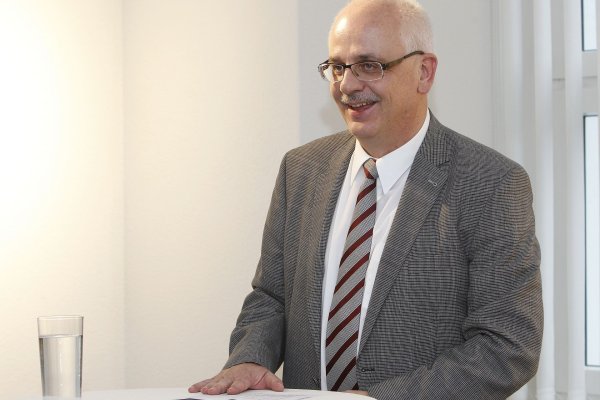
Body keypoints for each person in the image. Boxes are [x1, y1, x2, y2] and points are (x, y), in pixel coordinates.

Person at [188, 0, 543, 398]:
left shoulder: (491, 183)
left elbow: (507, 348)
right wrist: (250, 358)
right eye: (337, 67)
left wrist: (379, 399)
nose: (347, 85)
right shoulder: (301, 169)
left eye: (369, 65)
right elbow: (271, 297)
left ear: (424, 72)